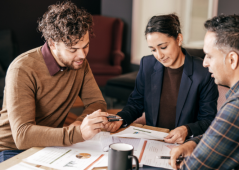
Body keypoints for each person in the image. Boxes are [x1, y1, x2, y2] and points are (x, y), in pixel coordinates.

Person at [0, 1, 109, 163]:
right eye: (73, 49)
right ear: (52, 43)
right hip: (12, 149)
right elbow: (22, 135)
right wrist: (79, 132)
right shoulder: (22, 68)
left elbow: (97, 102)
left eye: (85, 46)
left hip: (51, 144)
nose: (82, 55)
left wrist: (82, 122)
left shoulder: (80, 63)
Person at [170, 14, 239, 170]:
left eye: (209, 56)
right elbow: (232, 134)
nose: (204, 63)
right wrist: (194, 143)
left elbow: (191, 168)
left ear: (232, 59)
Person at [105, 14, 218, 144]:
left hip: (185, 144)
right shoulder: (147, 64)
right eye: (153, 49)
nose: (159, 55)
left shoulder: (203, 71)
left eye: (163, 47)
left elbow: (208, 119)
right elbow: (136, 103)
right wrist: (120, 118)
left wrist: (187, 129)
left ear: (179, 39)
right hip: (153, 142)